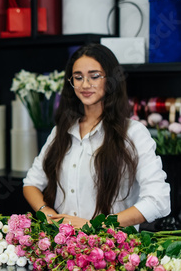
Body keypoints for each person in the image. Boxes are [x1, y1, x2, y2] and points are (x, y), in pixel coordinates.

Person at [23, 43, 171, 229]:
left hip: (112, 251)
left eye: (94, 76)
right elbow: (31, 183)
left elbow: (159, 200)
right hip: (63, 249)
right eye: (78, 77)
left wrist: (96, 226)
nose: (85, 84)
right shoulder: (61, 131)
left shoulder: (133, 133)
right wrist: (46, 211)